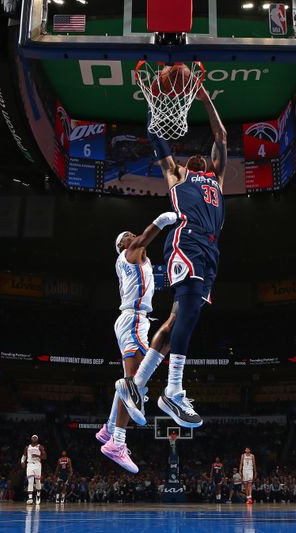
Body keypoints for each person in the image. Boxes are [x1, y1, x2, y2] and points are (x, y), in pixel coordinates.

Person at [135, 84, 227, 428]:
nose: (198, 156)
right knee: (187, 311)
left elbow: (220, 135)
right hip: (186, 240)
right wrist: (152, 104)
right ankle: (172, 391)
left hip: (210, 249)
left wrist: (205, 98)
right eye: (193, 156)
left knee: (177, 321)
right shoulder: (177, 175)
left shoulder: (216, 178)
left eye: (201, 155)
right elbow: (156, 139)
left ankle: (137, 385)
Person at [99, 212, 178, 473]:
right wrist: (164, 220)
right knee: (133, 382)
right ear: (122, 246)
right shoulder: (130, 252)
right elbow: (146, 236)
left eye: (132, 235)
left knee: (134, 381)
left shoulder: (135, 260)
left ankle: (109, 428)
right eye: (127, 237)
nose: (132, 236)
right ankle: (116, 442)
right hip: (133, 319)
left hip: (136, 320)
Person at [21, 434, 46, 505]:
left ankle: (38, 495)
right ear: (31, 439)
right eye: (33, 437)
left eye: (35, 437)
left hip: (37, 464)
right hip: (30, 464)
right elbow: (24, 456)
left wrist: (37, 455)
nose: (34, 438)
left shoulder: (40, 447)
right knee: (30, 481)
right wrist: (22, 462)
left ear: (37, 439)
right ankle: (30, 498)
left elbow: (44, 457)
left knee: (37, 481)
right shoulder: (27, 447)